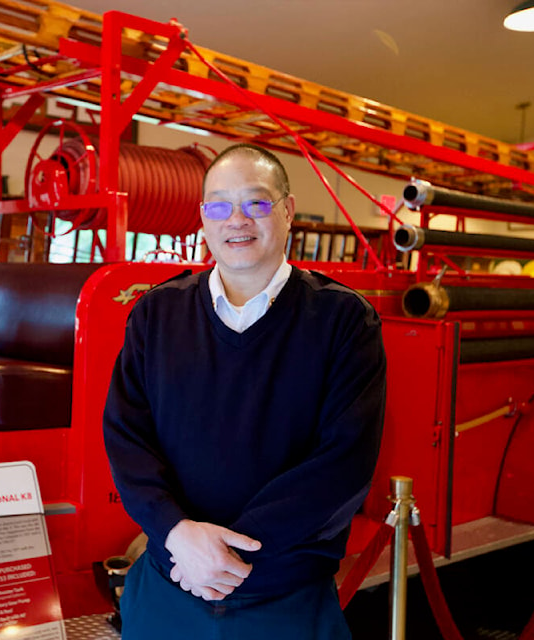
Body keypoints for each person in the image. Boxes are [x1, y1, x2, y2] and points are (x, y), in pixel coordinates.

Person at [102, 143, 386, 639]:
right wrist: (176, 534)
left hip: (284, 596)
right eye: (219, 205)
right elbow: (127, 438)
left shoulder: (344, 321)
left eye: (256, 203)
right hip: (170, 586)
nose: (237, 220)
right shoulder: (155, 314)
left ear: (288, 211)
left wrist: (223, 556)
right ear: (203, 217)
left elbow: (344, 463)